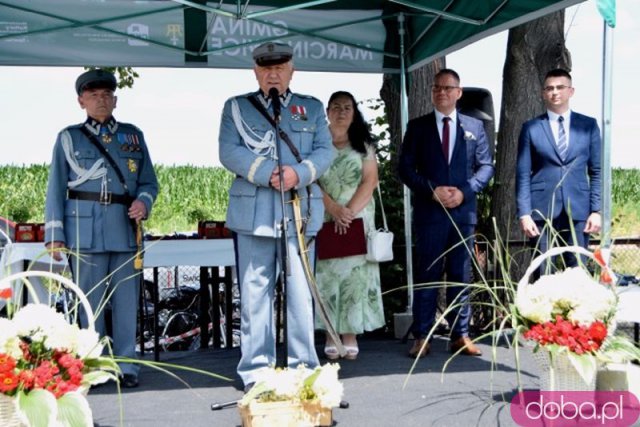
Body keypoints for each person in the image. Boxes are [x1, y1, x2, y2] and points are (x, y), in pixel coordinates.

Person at [218, 42, 334, 391]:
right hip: (254, 213)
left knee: (300, 295)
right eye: (266, 68)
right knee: (254, 296)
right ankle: (256, 371)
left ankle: (302, 368)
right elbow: (228, 150)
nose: (273, 74)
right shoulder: (236, 107)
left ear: (291, 70)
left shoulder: (311, 108)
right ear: (255, 71)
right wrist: (267, 170)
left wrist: (299, 173)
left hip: (299, 212)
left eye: (280, 67)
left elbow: (325, 150)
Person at [44, 69, 158, 388]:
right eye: (93, 96)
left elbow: (149, 180)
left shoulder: (133, 136)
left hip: (124, 230)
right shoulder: (69, 138)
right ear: (81, 101)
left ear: (116, 99)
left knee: (125, 304)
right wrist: (55, 236)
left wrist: (144, 203)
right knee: (89, 305)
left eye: (106, 95)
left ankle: (126, 366)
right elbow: (55, 189)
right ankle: (94, 364)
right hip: (85, 234)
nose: (101, 101)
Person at [398, 68, 494, 358]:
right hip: (430, 213)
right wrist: (431, 190)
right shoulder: (418, 127)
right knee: (427, 275)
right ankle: (422, 335)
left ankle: (460, 335)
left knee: (460, 275)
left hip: (462, 214)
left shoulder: (474, 127)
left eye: (448, 88)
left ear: (458, 92)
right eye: (437, 88)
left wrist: (465, 190)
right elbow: (404, 168)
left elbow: (486, 166)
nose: (441, 92)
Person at [314, 91, 385, 361]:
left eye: (347, 107)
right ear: (327, 112)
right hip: (324, 216)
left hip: (358, 218)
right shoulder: (317, 144)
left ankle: (350, 335)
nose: (341, 112)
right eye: (335, 107)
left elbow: (370, 181)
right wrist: (333, 209)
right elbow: (311, 180)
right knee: (327, 276)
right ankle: (331, 334)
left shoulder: (363, 144)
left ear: (354, 112)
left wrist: (348, 213)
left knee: (355, 277)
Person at [516, 68, 601, 268]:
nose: (555, 92)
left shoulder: (588, 125)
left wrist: (596, 210)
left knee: (578, 273)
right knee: (542, 273)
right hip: (541, 212)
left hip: (579, 212)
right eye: (549, 88)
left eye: (560, 87)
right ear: (543, 93)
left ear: (571, 91)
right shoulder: (531, 128)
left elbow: (596, 172)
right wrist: (524, 213)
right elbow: (522, 175)